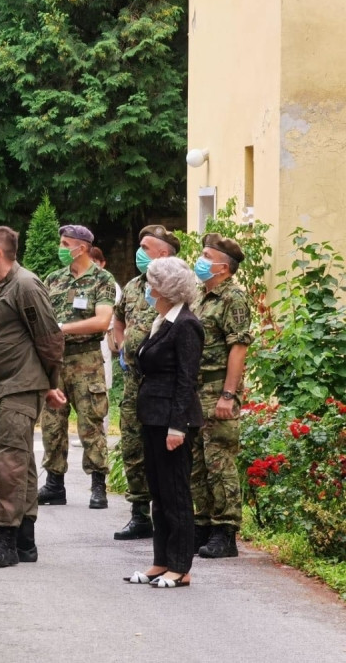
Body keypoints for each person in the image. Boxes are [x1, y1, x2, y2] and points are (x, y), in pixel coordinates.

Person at [0, 227, 66, 567]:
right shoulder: (3, 285)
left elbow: (49, 337)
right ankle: (26, 541)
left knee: (9, 462)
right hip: (5, 385)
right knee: (23, 461)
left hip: (21, 385)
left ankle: (6, 539)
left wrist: (52, 383)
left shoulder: (25, 284)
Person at [125, 256, 204, 589]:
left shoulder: (186, 324)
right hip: (152, 418)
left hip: (172, 422)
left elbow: (187, 380)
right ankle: (161, 561)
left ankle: (181, 566)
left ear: (165, 289)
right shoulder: (162, 320)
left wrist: (177, 427)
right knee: (158, 493)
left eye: (151, 283)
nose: (147, 288)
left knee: (176, 494)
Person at [110, 224, 181, 541]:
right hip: (133, 384)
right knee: (133, 447)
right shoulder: (134, 286)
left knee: (167, 450)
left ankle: (170, 515)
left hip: (164, 384)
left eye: (145, 247)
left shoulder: (180, 285)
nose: (139, 252)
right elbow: (119, 317)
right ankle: (139, 515)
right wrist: (120, 343)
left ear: (163, 253)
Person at [38, 224, 116, 508]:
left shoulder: (102, 279)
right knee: (52, 423)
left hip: (86, 359)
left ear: (80, 247)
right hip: (56, 360)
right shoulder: (54, 278)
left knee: (90, 423)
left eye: (64, 243)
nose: (60, 248)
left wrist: (63, 328)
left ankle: (98, 486)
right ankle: (54, 484)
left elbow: (102, 320)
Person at [191, 233, 254, 559]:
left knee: (220, 463)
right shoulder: (203, 297)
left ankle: (225, 531)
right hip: (196, 389)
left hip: (218, 389)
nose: (199, 261)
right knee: (198, 464)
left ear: (223, 267)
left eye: (204, 256)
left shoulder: (233, 299)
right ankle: (201, 524)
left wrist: (228, 394)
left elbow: (238, 348)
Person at [90, 246, 121, 391]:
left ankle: (105, 413)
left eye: (95, 261)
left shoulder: (110, 285)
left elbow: (113, 315)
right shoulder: (79, 284)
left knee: (103, 379)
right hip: (80, 340)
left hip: (102, 336)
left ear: (102, 263)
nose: (91, 264)